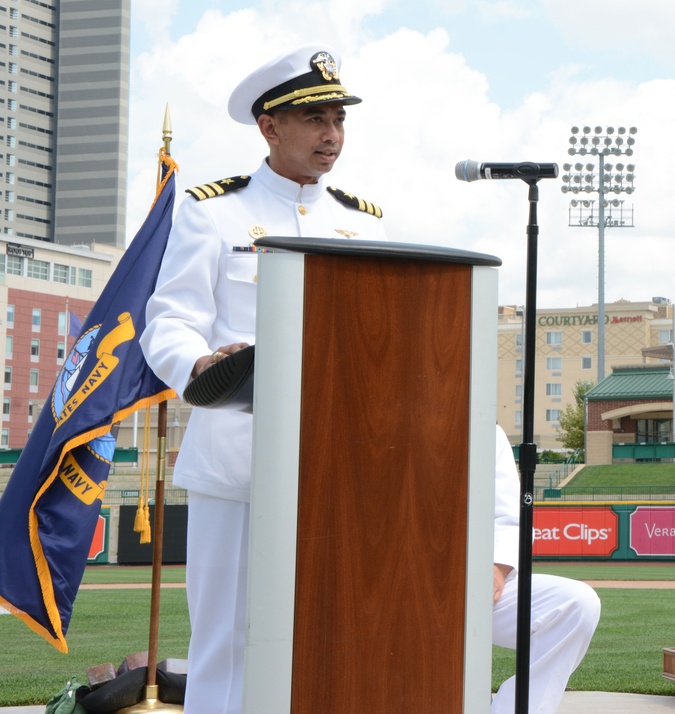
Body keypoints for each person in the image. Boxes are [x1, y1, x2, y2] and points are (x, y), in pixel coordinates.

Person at [140, 45, 386, 714]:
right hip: (238, 460)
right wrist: (198, 364)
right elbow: (167, 320)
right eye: (314, 118)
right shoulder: (211, 211)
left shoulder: (363, 224)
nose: (331, 134)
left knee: (331, 637)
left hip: (340, 466)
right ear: (269, 127)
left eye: (338, 118)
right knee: (226, 642)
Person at [490, 423, 601, 713]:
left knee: (576, 603)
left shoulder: (483, 426)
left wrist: (498, 569)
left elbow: (505, 514)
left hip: (465, 584)